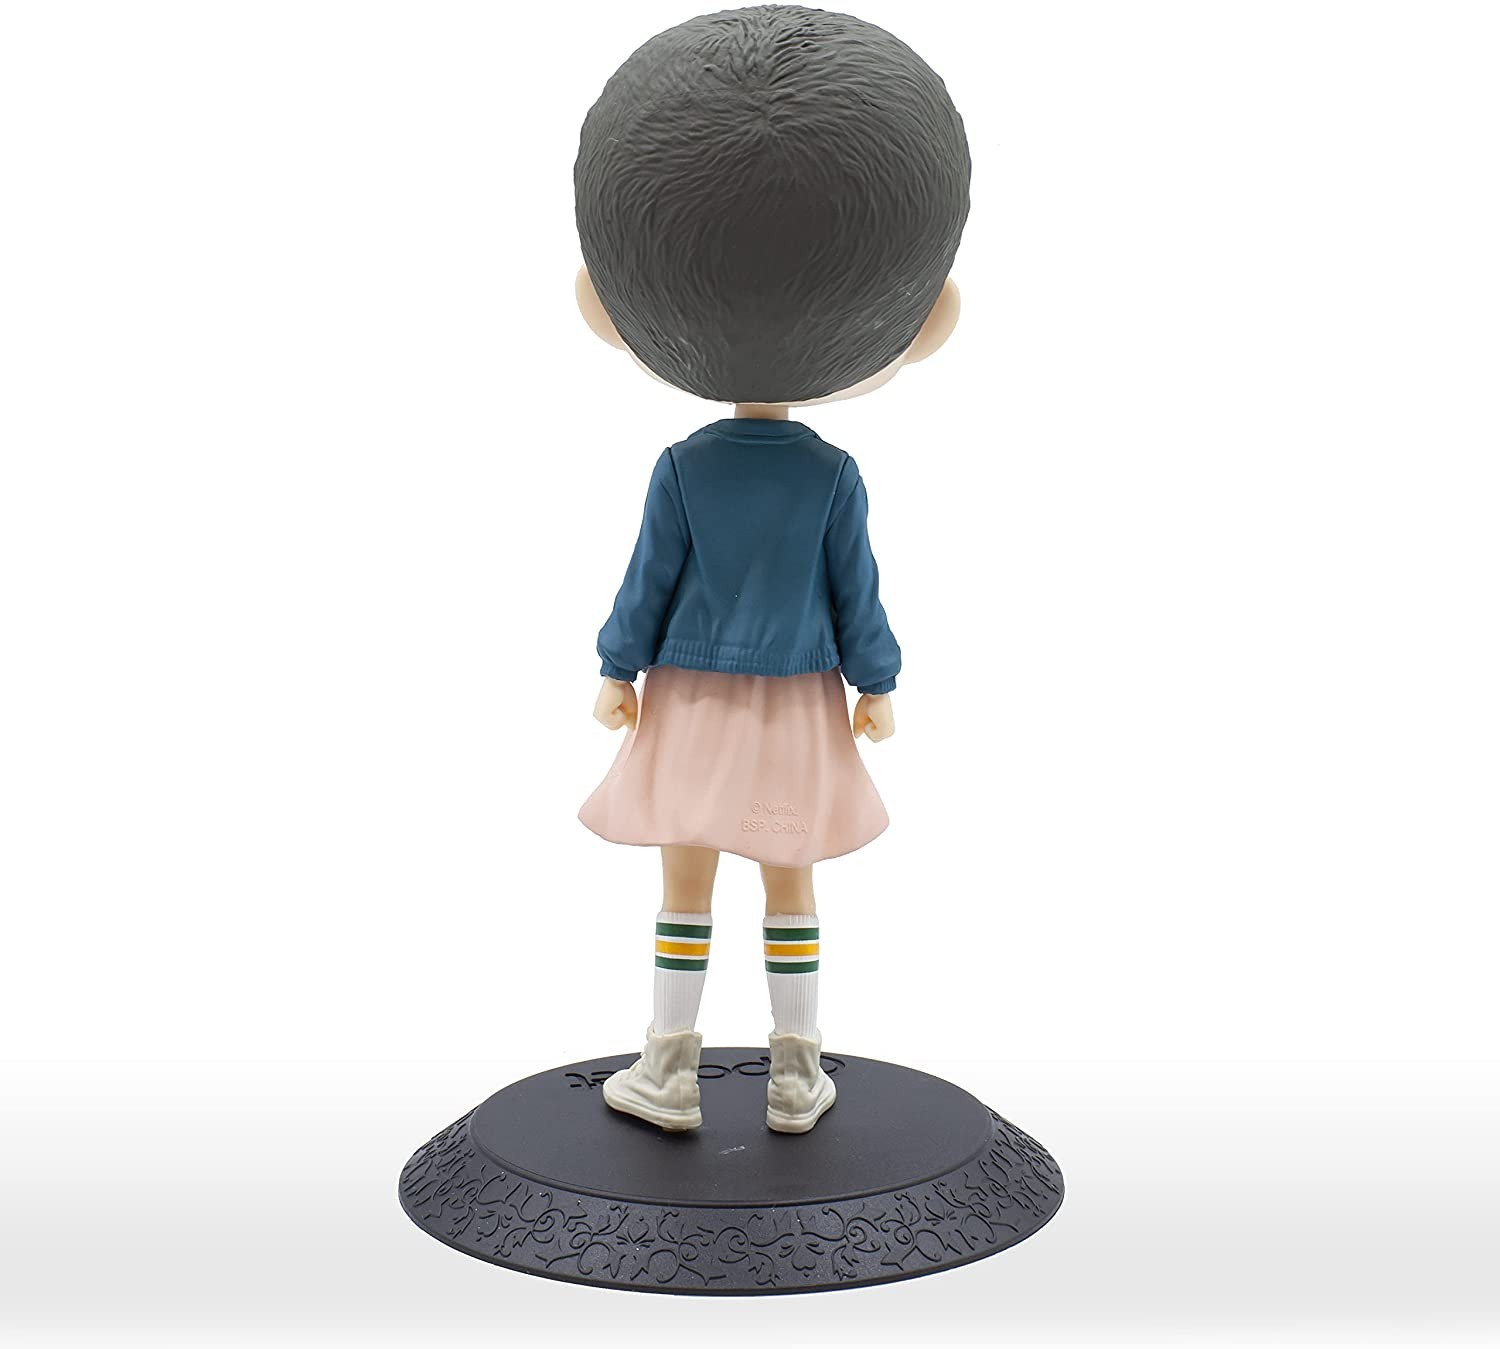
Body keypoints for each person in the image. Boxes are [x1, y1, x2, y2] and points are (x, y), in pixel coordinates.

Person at [571, 4, 971, 1134]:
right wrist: (877, 683)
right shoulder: (833, 474)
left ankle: (669, 1067)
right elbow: (858, 593)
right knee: (790, 879)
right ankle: (797, 1072)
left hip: (692, 698)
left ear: (606, 306)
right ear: (924, 321)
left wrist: (616, 668)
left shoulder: (683, 466)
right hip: (798, 699)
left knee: (684, 882)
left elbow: (647, 583)